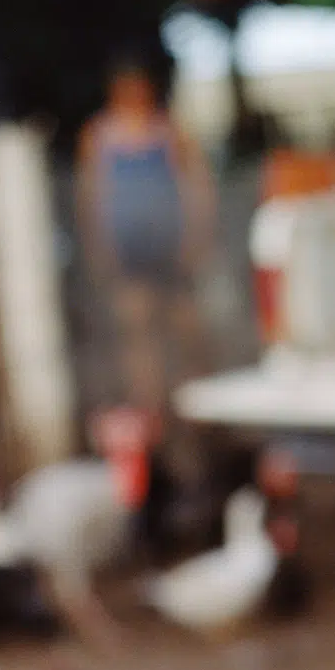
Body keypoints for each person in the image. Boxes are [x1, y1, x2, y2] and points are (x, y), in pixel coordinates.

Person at [77, 58, 216, 427]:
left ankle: (194, 405)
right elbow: (92, 194)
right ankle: (149, 409)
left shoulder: (167, 131)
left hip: (169, 248)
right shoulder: (99, 134)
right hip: (128, 252)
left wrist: (196, 237)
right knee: (137, 332)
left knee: (186, 329)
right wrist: (98, 247)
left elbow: (196, 186)